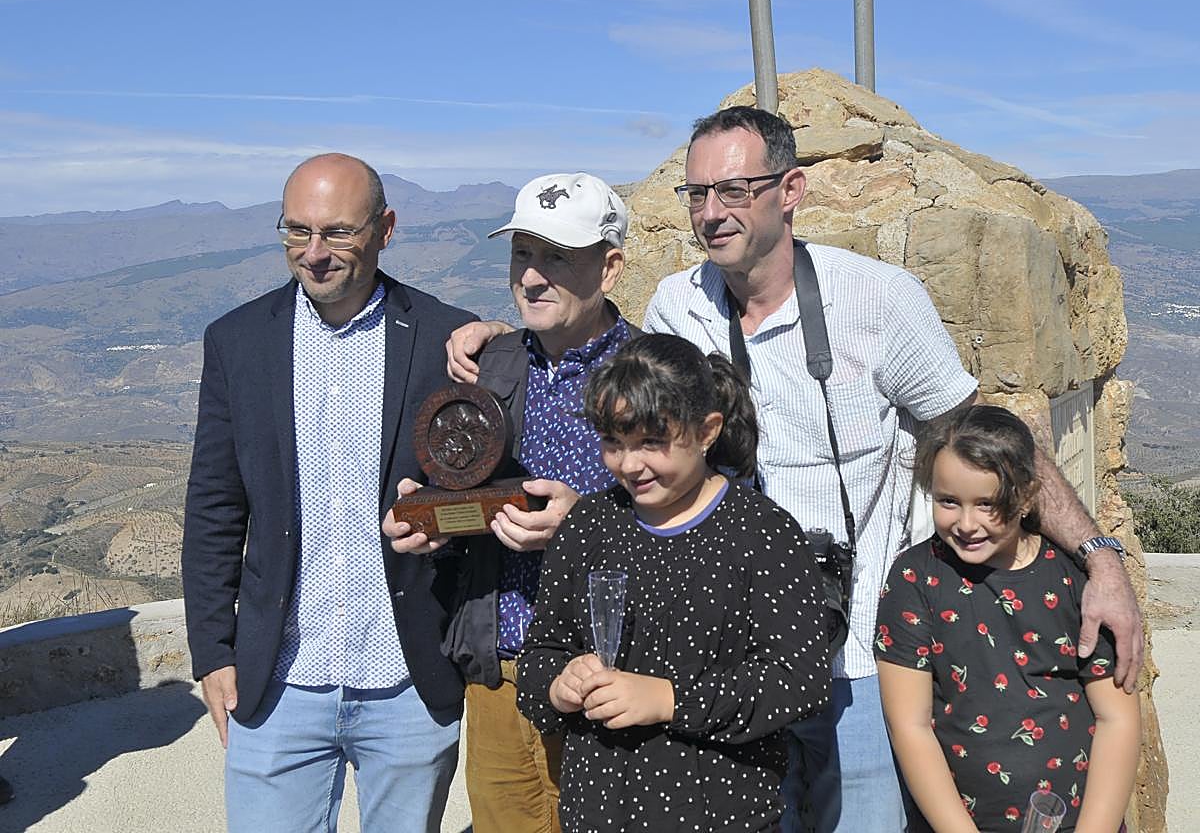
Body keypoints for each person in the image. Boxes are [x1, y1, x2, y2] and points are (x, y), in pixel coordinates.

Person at [444, 104, 1143, 832]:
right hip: (723, 655)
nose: (712, 213)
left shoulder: (877, 300)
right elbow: (631, 399)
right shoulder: (679, 306)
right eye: (697, 194)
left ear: (792, 190)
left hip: (860, 656)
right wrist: (503, 333)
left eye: (735, 190)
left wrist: (1099, 559)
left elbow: (987, 437)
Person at [181, 153, 477, 833]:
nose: (313, 254)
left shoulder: (446, 338)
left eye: (338, 233)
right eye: (296, 231)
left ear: (385, 229)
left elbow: (480, 494)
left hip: (407, 677)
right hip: (278, 679)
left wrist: (447, 522)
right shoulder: (236, 342)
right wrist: (213, 652)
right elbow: (214, 508)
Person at [384, 172, 636, 832]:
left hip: (606, 674)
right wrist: (430, 514)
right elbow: (462, 487)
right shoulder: (487, 366)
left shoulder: (656, 376)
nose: (531, 277)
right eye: (523, 254)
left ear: (609, 269)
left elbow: (701, 523)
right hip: (497, 671)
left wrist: (586, 522)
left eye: (557, 256)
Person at [516, 333, 831, 832]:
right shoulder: (589, 525)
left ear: (708, 431)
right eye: (613, 443)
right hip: (596, 811)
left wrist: (668, 699)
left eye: (651, 442)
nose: (629, 464)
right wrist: (559, 684)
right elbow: (540, 652)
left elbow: (799, 682)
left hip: (722, 813)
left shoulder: (760, 533)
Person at [876, 404, 1139, 832]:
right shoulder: (915, 580)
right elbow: (911, 724)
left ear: (1028, 495)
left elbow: (1118, 716)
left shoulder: (1076, 580)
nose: (966, 523)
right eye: (948, 501)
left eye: (987, 504)